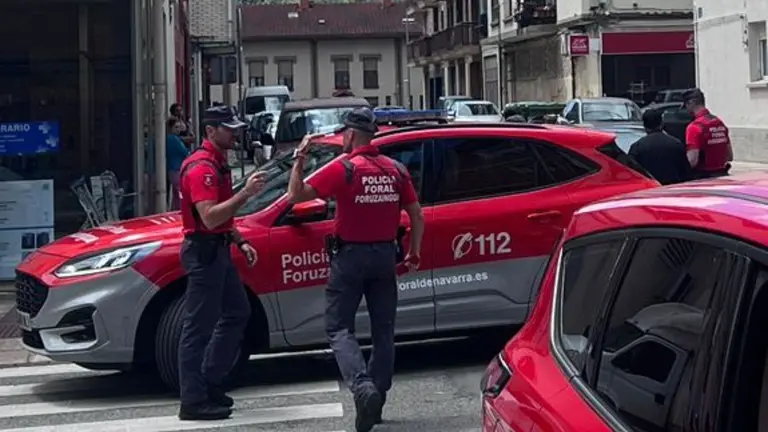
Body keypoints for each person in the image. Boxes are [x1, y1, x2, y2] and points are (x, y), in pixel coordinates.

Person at [286, 108, 425, 432]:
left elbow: (295, 195)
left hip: (349, 257)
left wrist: (300, 157)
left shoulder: (344, 168)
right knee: (383, 330)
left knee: (338, 327)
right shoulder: (396, 170)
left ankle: (362, 388)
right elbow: (417, 216)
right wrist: (414, 253)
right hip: (384, 257)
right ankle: (376, 398)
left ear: (349, 136)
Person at [177, 106, 267, 421]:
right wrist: (246, 194)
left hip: (218, 249)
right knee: (197, 328)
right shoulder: (202, 168)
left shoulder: (217, 162)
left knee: (237, 312)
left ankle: (210, 382)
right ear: (211, 131)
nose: (235, 133)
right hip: (205, 252)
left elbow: (221, 218)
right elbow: (210, 215)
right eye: (229, 129)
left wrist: (240, 240)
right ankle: (193, 399)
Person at [628, 109, 691, 185]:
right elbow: (686, 173)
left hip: (648, 189)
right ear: (661, 124)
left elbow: (631, 173)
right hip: (672, 189)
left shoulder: (637, 147)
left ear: (644, 126)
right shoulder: (676, 144)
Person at [682, 88, 733, 179]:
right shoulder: (719, 122)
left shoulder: (694, 127)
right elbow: (729, 156)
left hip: (704, 178)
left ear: (691, 103)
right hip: (722, 176)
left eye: (686, 105)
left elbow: (692, 161)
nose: (686, 110)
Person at [166, 117, 191, 210]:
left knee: (176, 193)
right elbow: (184, 152)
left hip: (172, 168)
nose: (178, 130)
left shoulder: (170, 138)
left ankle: (175, 209)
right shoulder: (173, 139)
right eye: (176, 127)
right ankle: (180, 209)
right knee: (180, 191)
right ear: (170, 128)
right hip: (177, 169)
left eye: (179, 127)